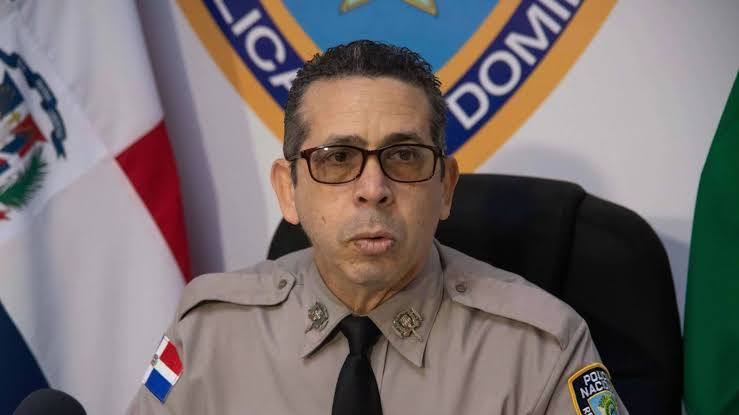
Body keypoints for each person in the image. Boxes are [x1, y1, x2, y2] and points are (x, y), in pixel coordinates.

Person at [127, 40, 629, 415]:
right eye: (338, 158)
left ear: (446, 187)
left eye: (404, 156)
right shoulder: (209, 331)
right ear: (288, 189)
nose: (373, 188)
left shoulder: (541, 348)